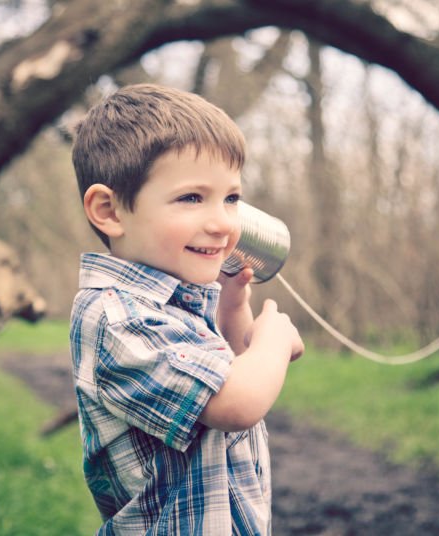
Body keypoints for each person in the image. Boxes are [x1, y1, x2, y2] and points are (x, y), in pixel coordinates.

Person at [69, 83, 304, 535]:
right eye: (192, 198)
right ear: (110, 210)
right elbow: (235, 402)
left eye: (231, 199)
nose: (221, 223)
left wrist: (235, 306)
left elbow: (226, 368)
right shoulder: (119, 318)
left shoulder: (175, 302)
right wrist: (272, 341)